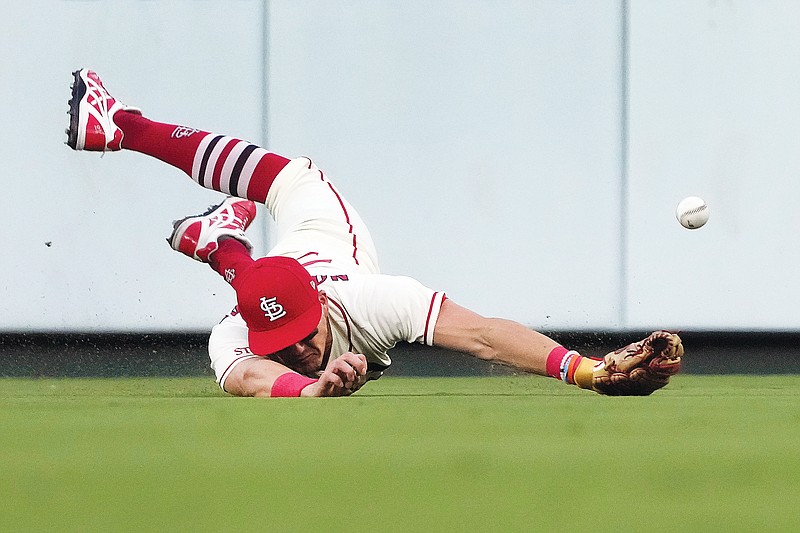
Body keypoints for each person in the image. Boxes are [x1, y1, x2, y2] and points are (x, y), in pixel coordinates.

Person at [65, 68, 683, 398]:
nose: (300, 350)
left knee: (292, 176)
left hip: (322, 233)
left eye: (303, 335)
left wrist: (587, 370)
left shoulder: (370, 301)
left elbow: (485, 336)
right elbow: (244, 378)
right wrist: (309, 393)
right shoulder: (240, 332)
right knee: (247, 278)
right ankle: (217, 244)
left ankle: (122, 126)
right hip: (276, 272)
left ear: (321, 305)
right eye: (280, 341)